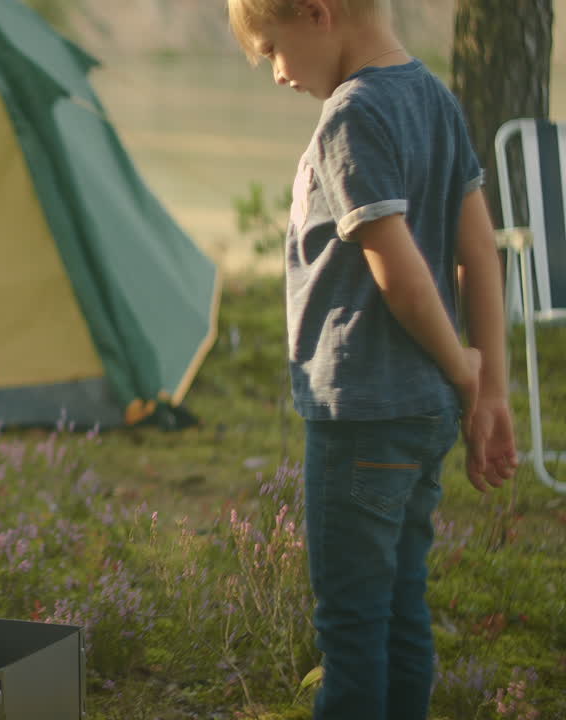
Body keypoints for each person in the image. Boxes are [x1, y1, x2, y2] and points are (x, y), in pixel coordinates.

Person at [224, 1, 518, 718]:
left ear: (318, 14)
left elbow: (401, 271)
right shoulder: (435, 97)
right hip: (422, 416)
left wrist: (463, 368)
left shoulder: (352, 117)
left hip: (362, 413)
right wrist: (491, 392)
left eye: (272, 50)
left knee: (352, 631)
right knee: (401, 608)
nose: (278, 75)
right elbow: (479, 251)